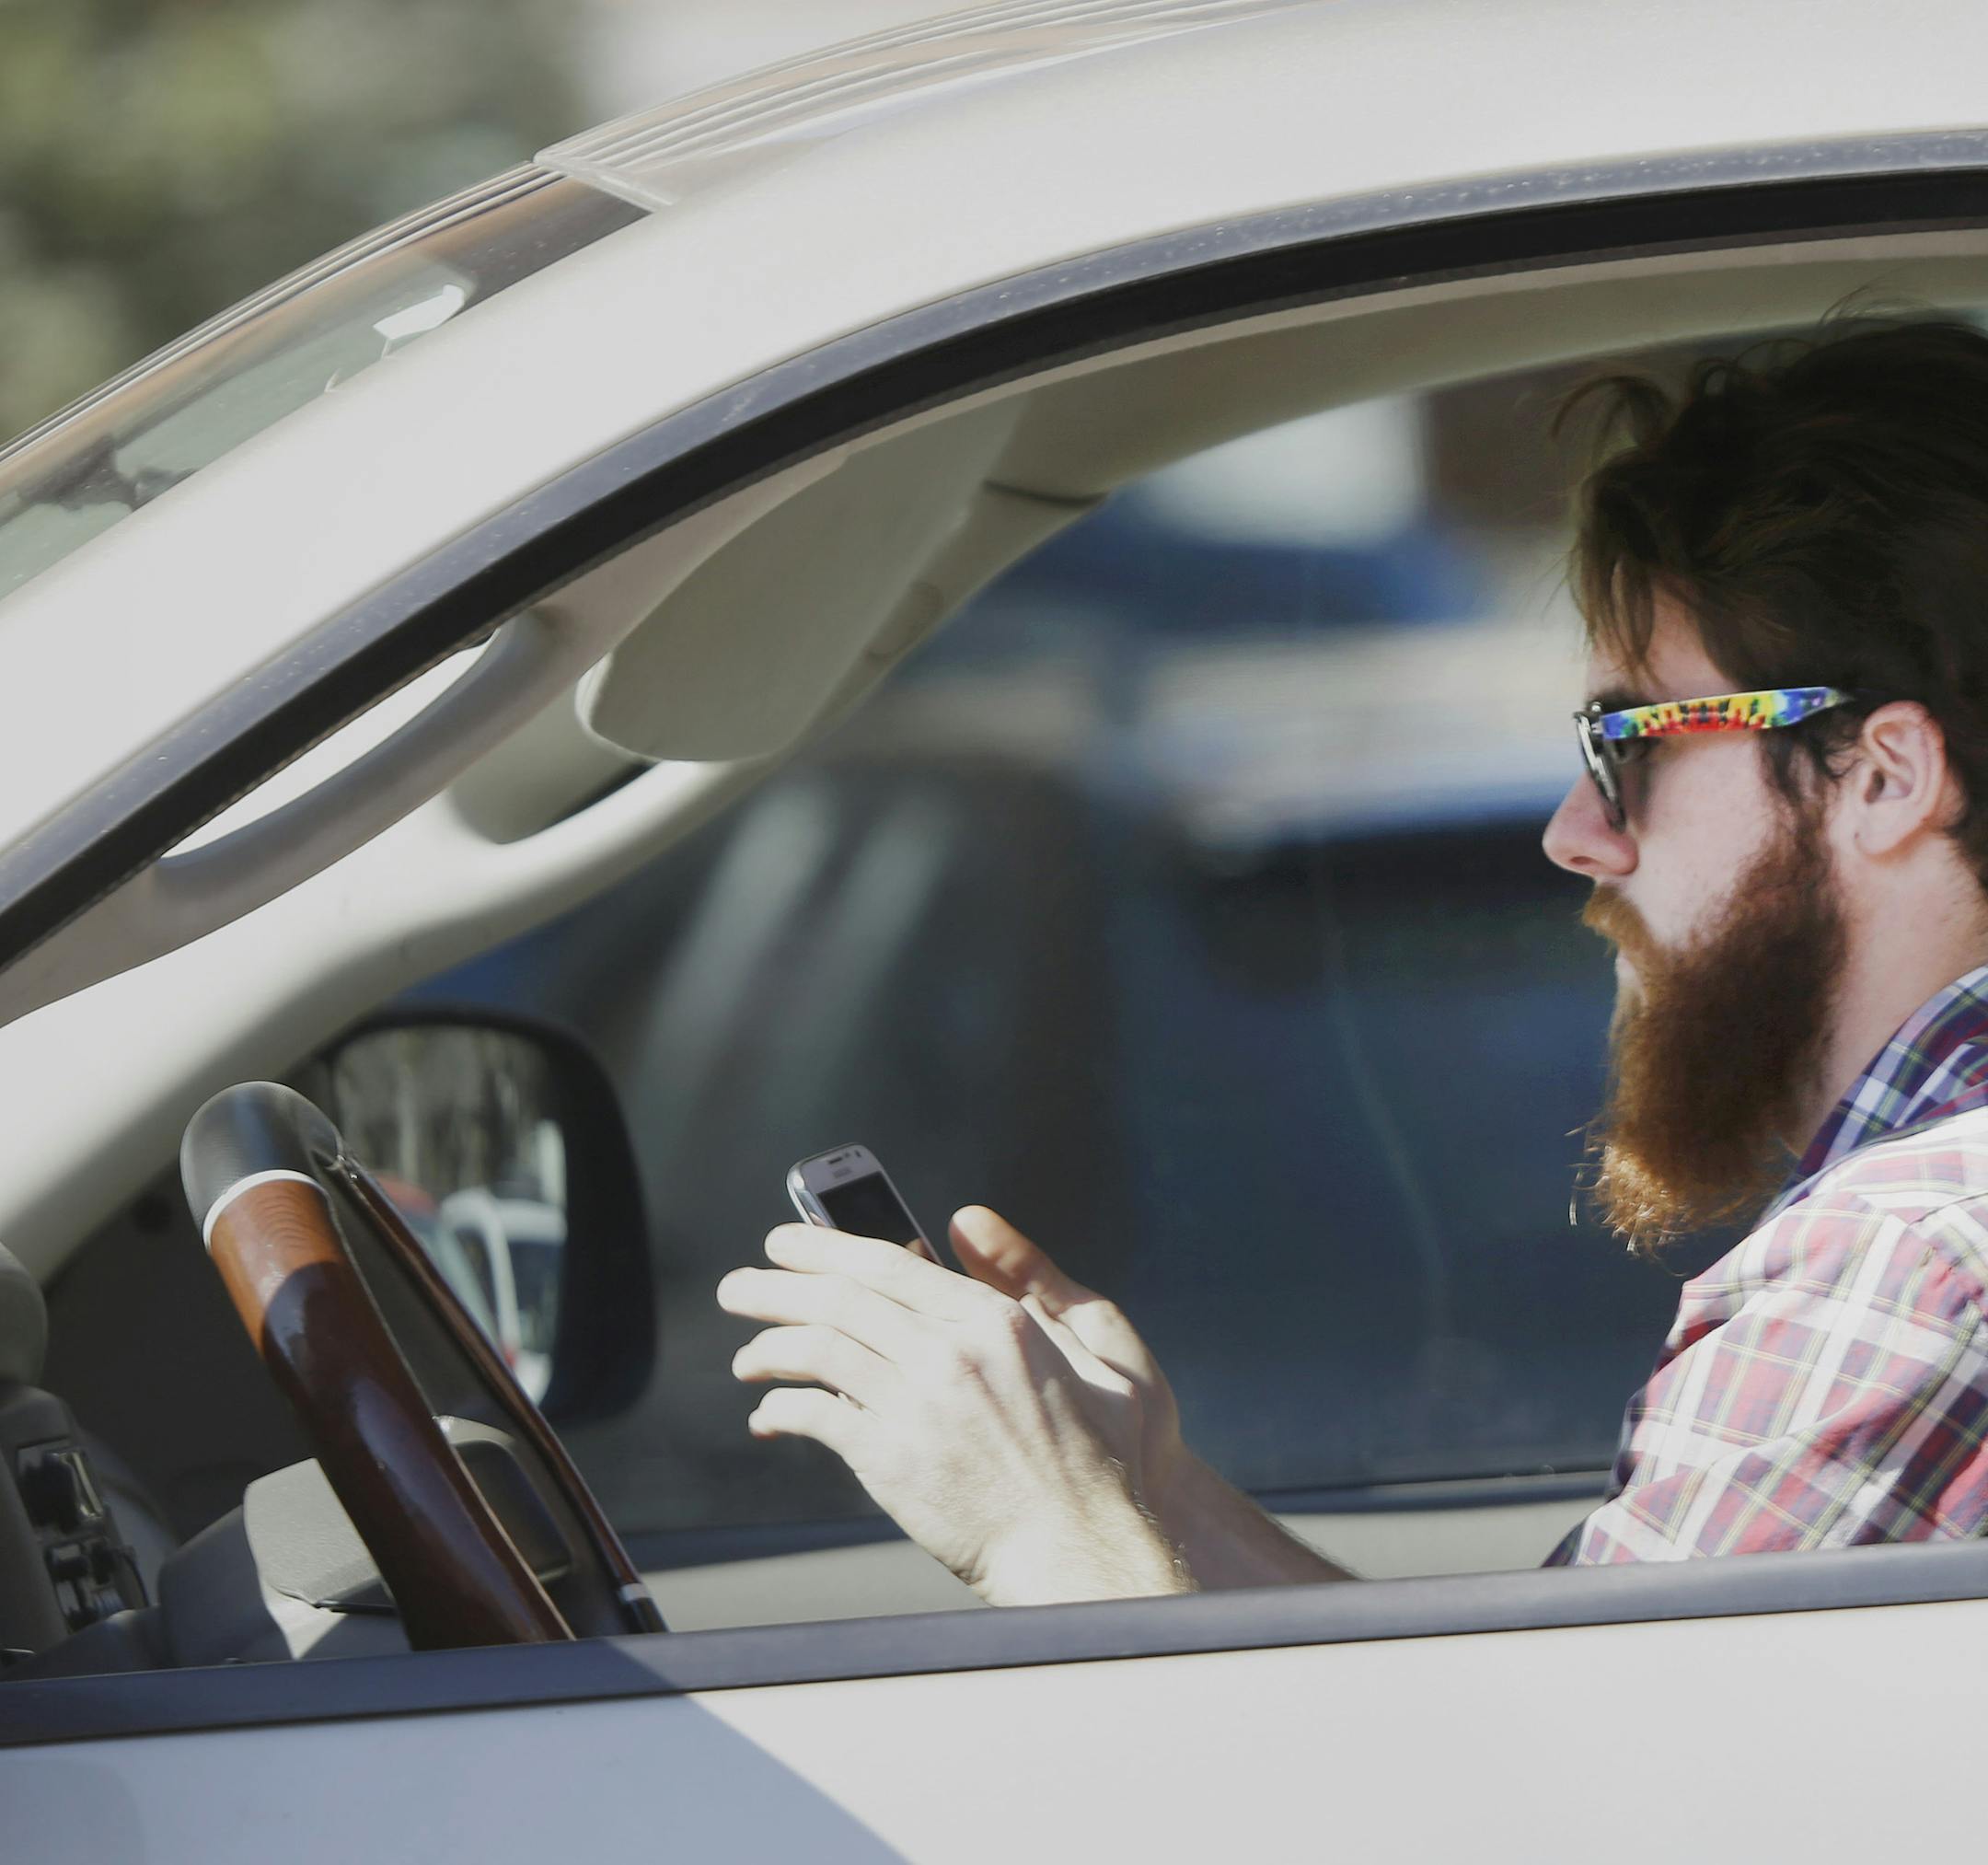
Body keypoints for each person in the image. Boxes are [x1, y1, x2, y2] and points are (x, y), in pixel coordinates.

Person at [717, 316, 1988, 1602]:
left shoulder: (1907, 1267)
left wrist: (1039, 1519)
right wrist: (1145, 1486)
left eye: (1629, 741)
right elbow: (1519, 1728)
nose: (1575, 832)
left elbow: (1537, 1808)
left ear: (1880, 775)